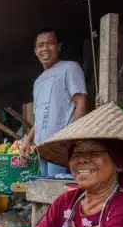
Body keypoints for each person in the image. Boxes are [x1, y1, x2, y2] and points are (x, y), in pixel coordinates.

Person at [21, 27, 88, 177]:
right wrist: (28, 141)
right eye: (40, 45)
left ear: (58, 47)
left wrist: (72, 138)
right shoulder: (38, 82)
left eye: (50, 43)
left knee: (60, 191)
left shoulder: (70, 68)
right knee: (48, 192)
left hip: (61, 146)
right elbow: (39, 118)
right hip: (42, 148)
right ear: (35, 50)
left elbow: (81, 101)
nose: (45, 48)